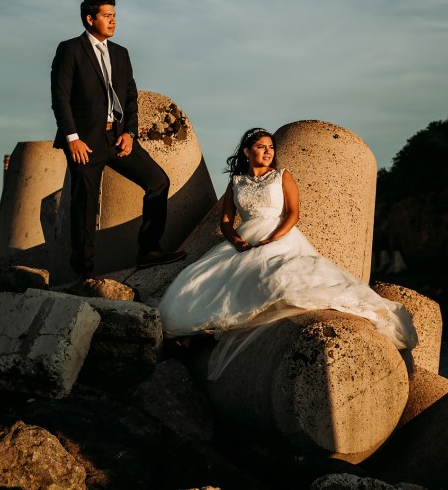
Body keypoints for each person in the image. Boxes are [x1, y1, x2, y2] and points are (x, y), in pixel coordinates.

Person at [158, 127, 417, 378]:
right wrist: (236, 241)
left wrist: (273, 238)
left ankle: (210, 334)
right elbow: (225, 221)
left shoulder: (281, 176)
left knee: (276, 278)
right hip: (245, 237)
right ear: (247, 151)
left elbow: (294, 214)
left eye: (271, 147)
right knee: (201, 279)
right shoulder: (236, 182)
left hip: (279, 235)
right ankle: (196, 335)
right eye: (261, 147)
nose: (268, 152)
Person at [51, 0, 185, 279]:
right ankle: (84, 274)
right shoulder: (70, 49)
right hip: (85, 142)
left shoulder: (121, 53)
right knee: (85, 206)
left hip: (118, 138)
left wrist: (130, 133)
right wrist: (72, 138)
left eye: (114, 15)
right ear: (90, 19)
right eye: (107, 16)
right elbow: (60, 97)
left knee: (158, 181)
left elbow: (130, 96)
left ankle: (149, 249)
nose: (113, 21)